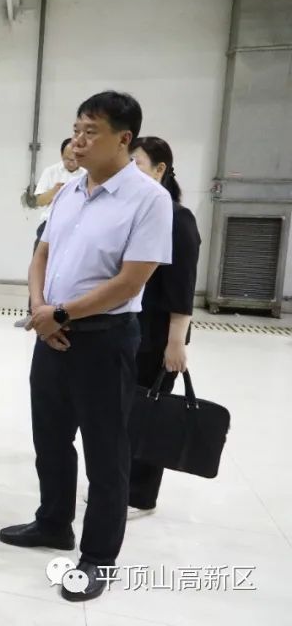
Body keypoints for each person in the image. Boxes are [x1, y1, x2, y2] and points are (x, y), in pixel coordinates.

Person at [0, 91, 172, 603]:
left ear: (123, 138)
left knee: (105, 452)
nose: (78, 140)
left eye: (90, 131)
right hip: (51, 333)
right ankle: (53, 522)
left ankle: (99, 556)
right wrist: (41, 310)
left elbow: (131, 281)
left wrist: (62, 314)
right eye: (76, 129)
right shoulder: (70, 189)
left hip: (104, 340)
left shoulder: (148, 199)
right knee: (50, 438)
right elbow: (42, 254)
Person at [128, 136, 201, 511]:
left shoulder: (177, 218)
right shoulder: (138, 213)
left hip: (156, 336)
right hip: (130, 331)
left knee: (149, 412)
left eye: (137, 164)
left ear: (160, 170)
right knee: (127, 411)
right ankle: (122, 484)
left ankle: (139, 494)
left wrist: (176, 343)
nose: (130, 171)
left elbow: (182, 288)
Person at [33, 138, 85, 248]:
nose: (71, 163)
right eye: (67, 159)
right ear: (61, 155)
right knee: (40, 256)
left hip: (77, 226)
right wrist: (55, 190)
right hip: (50, 224)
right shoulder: (51, 171)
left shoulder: (87, 174)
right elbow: (40, 201)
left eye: (74, 159)